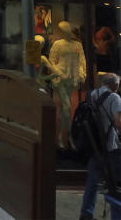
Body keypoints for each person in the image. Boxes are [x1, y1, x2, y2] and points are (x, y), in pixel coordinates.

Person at [79, 73, 121, 220]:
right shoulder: (114, 97)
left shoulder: (91, 94)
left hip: (94, 144)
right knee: (116, 182)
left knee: (92, 181)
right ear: (116, 85)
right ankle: (116, 212)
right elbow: (118, 123)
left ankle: (86, 214)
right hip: (110, 146)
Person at [49, 21, 87, 148]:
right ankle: (68, 136)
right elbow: (52, 62)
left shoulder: (77, 45)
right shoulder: (57, 44)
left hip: (72, 78)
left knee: (65, 109)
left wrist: (82, 74)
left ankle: (61, 135)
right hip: (61, 79)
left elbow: (82, 61)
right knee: (66, 108)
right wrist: (57, 73)